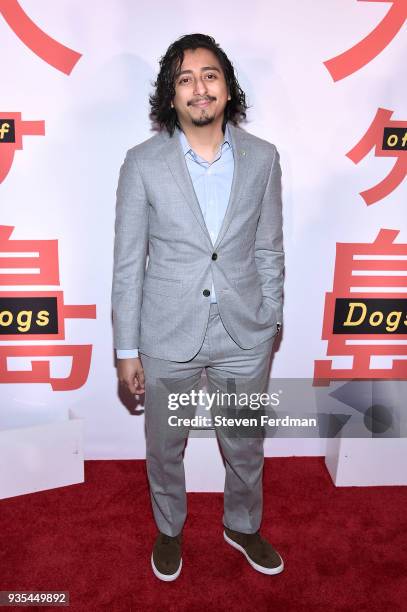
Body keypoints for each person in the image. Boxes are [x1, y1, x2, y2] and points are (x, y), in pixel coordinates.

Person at [111, 33, 285, 581]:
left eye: (209, 75)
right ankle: (169, 529)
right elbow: (127, 261)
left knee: (245, 442)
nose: (199, 88)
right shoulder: (141, 163)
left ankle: (242, 524)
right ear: (171, 97)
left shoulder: (264, 158)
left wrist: (271, 316)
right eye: (184, 79)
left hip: (243, 332)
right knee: (165, 446)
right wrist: (126, 347)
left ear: (228, 88)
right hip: (167, 333)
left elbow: (269, 246)